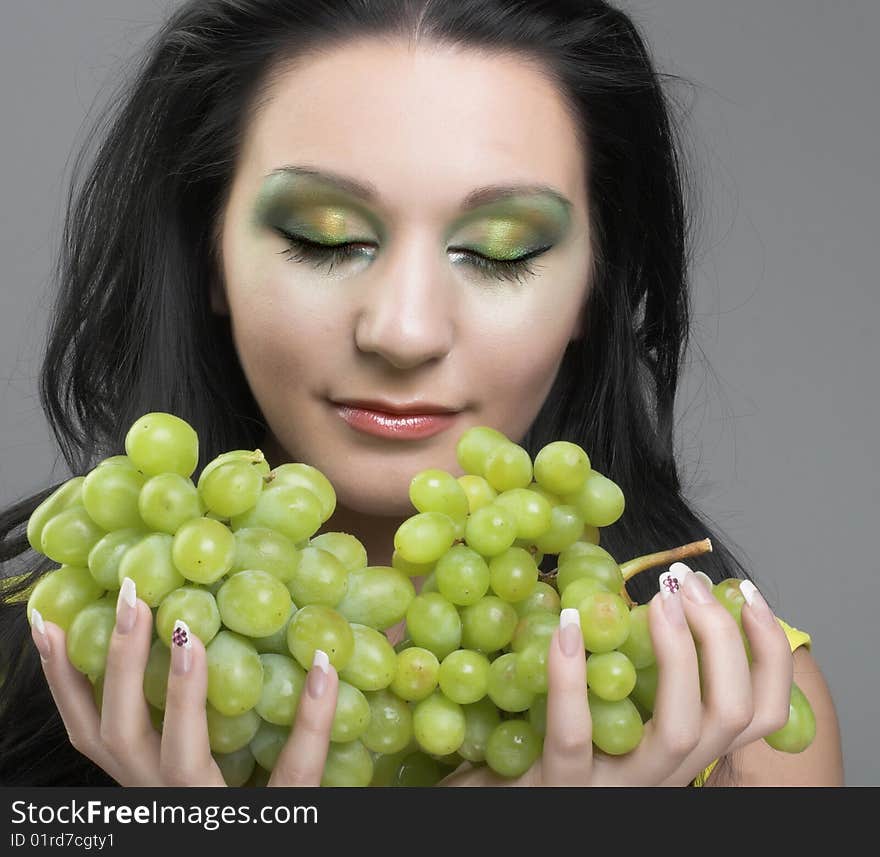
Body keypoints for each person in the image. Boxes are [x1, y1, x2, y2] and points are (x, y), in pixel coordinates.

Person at [0, 0, 843, 787]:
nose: (403, 332)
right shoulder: (33, 640)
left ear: (596, 287)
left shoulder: (735, 716)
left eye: (500, 251)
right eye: (322, 238)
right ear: (207, 252)